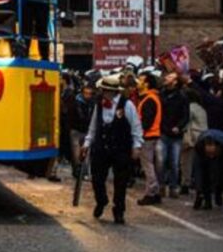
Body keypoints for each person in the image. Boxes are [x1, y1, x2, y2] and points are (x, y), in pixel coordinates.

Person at [81, 75, 143, 224]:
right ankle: (101, 201)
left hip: (121, 148)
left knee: (120, 182)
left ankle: (119, 210)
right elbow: (93, 126)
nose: (105, 93)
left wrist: (137, 146)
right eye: (104, 90)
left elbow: (136, 127)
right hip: (101, 147)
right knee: (97, 178)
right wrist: (87, 143)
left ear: (114, 91)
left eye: (107, 90)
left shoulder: (127, 105)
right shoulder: (99, 104)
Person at [158, 73, 190, 198]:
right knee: (160, 161)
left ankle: (173, 186)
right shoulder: (161, 94)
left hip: (176, 134)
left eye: (169, 77)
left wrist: (179, 126)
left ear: (175, 82)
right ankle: (161, 185)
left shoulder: (182, 96)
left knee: (174, 162)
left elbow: (185, 115)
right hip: (163, 132)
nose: (166, 78)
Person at [135, 72, 163, 205]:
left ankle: (151, 192)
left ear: (147, 84)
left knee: (147, 166)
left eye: (140, 80)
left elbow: (146, 122)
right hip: (151, 135)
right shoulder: (150, 98)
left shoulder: (149, 99)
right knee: (150, 165)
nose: (137, 82)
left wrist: (139, 135)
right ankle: (155, 192)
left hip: (148, 137)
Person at [68, 81, 96, 179]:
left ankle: (83, 172)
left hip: (86, 130)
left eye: (89, 94)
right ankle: (78, 171)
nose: (88, 96)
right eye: (86, 93)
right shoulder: (76, 102)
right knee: (76, 153)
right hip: (76, 129)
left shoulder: (93, 103)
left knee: (86, 152)